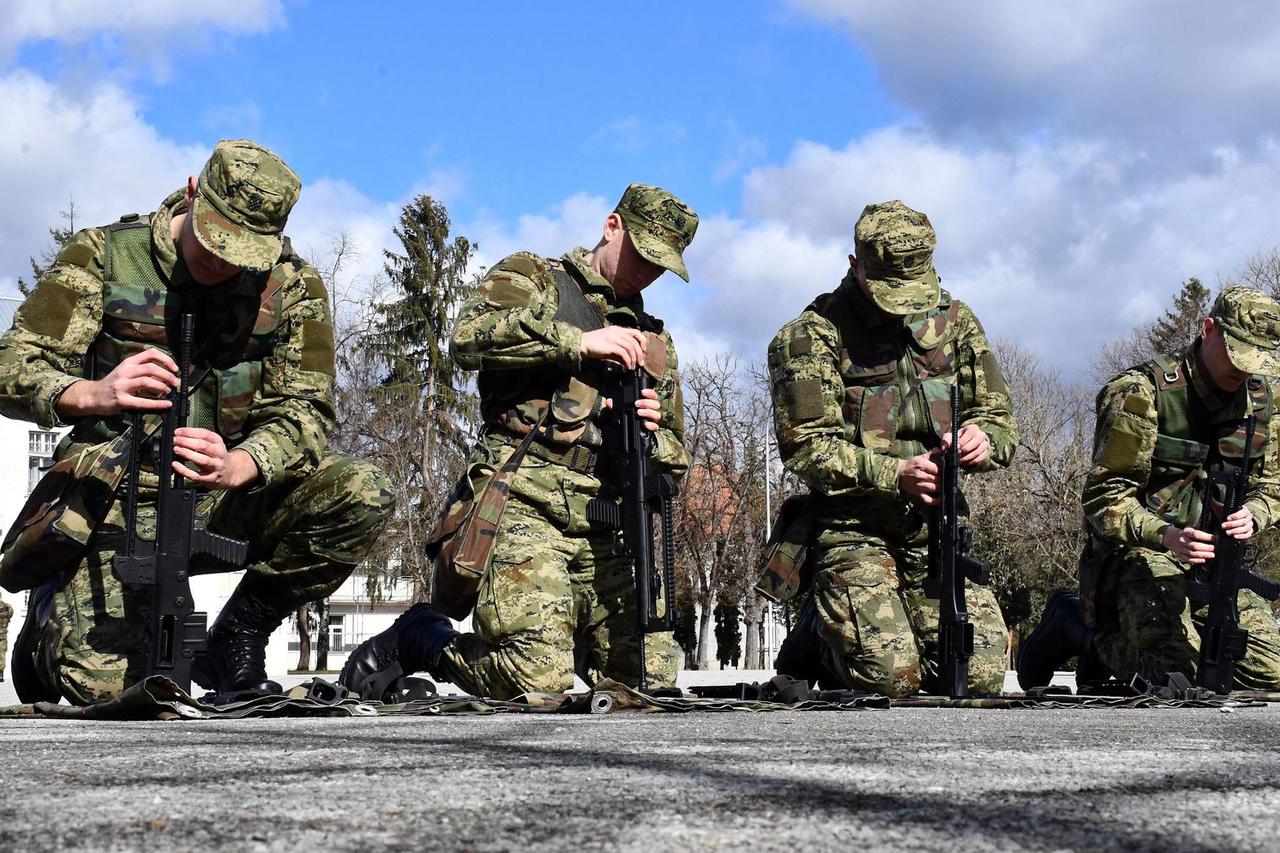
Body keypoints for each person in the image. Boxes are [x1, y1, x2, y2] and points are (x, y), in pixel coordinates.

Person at [0, 139, 393, 705]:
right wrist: (92, 392)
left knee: (361, 490)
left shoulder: (293, 288)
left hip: (220, 498)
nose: (225, 263)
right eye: (217, 241)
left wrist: (245, 461)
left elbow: (306, 410)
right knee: (115, 691)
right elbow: (14, 364)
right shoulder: (104, 255)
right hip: (113, 499)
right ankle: (45, 626)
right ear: (191, 191)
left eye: (244, 253)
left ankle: (238, 636)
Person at [341, 184, 697, 700]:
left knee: (649, 680)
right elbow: (468, 336)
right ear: (611, 226)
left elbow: (677, 460)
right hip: (523, 499)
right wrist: (576, 342)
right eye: (642, 253)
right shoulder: (536, 277)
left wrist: (653, 434)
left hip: (606, 518)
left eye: (660, 265)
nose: (647, 272)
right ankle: (424, 639)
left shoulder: (654, 343)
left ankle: (563, 630)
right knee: (536, 680)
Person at [767, 200, 1018, 697]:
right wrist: (894, 473)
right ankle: (817, 636)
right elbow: (807, 450)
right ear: (854, 267)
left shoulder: (957, 323)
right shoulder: (809, 336)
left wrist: (982, 439)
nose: (904, 305)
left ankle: (859, 628)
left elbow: (999, 419)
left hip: (935, 528)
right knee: (889, 679)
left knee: (979, 677)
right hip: (851, 527)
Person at [1018, 286, 1280, 690]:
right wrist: (1168, 536)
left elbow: (1273, 485)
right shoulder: (1140, 394)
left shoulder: (1262, 403)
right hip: (1138, 556)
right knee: (1180, 677)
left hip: (1213, 565)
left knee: (1268, 672)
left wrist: (1255, 514)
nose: (1244, 372)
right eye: (1236, 355)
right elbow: (1105, 498)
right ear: (1208, 330)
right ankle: (1072, 625)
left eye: (1256, 361)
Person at [0, 598, 11, 682]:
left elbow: (10, 613)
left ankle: (0, 674)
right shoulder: (7, 607)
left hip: (2, 635)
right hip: (2, 635)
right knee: (2, 655)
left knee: (2, 655)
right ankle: (0, 674)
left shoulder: (7, 607)